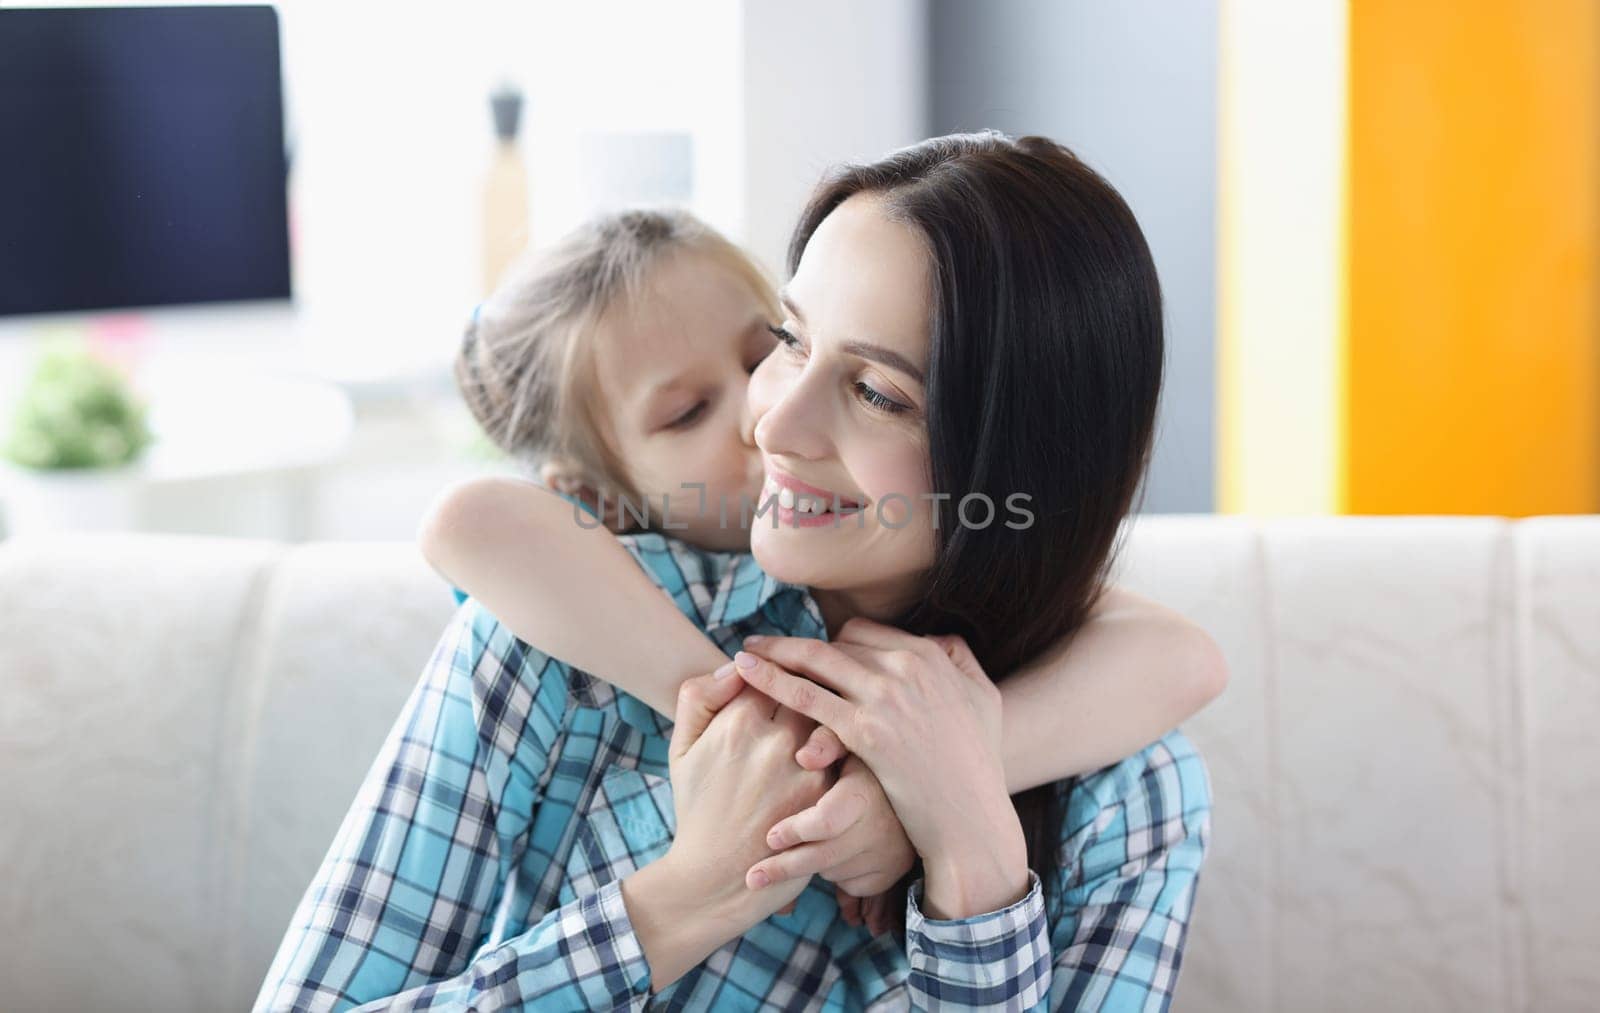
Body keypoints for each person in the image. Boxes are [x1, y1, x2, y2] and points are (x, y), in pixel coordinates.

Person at [256, 132, 1217, 1011]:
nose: (772, 423)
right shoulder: (554, 646)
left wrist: (966, 842)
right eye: (793, 340)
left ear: (1026, 457)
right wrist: (680, 899)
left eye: (879, 392)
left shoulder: (1126, 793)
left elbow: (1176, 653)